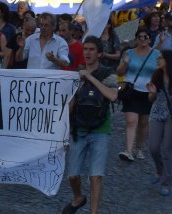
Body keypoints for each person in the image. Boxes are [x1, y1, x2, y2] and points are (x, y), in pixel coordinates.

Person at [62, 36, 118, 214]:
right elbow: (71, 104)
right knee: (72, 175)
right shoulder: (76, 74)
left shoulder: (108, 74)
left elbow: (113, 96)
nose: (87, 52)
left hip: (100, 129)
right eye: (85, 49)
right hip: (79, 129)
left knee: (95, 176)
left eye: (92, 49)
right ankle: (78, 197)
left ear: (100, 53)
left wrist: (90, 78)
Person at [116, 28, 160, 162]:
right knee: (131, 120)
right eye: (139, 37)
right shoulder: (128, 53)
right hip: (131, 90)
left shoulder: (156, 54)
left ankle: (140, 148)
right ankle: (128, 150)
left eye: (145, 37)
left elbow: (160, 72)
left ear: (150, 39)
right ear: (135, 40)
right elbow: (119, 72)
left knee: (144, 122)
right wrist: (125, 63)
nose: (142, 39)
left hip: (148, 92)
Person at [146, 49, 172, 196]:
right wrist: (152, 93)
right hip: (156, 112)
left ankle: (166, 182)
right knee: (153, 147)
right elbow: (151, 99)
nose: (157, 59)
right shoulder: (156, 75)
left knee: (167, 150)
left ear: (168, 60)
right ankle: (160, 170)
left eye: (160, 58)